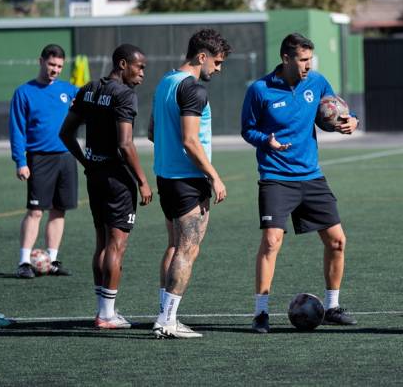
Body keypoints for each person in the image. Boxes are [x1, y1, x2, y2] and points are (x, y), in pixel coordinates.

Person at [241, 33, 359, 334]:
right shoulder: (259, 90)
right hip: (276, 178)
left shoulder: (317, 82)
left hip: (311, 176)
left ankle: (332, 307)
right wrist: (266, 140)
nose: (308, 65)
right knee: (271, 242)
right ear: (286, 58)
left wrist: (350, 120)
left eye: (310, 59)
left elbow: (332, 111)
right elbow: (247, 129)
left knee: (337, 241)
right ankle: (261, 313)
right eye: (303, 60)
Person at [59, 44, 152, 329]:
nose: (143, 73)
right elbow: (125, 144)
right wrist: (143, 181)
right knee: (116, 244)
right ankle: (107, 315)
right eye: (139, 67)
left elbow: (65, 133)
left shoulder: (88, 88)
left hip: (95, 175)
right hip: (117, 179)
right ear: (123, 64)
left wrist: (85, 161)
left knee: (102, 241)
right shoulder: (125, 95)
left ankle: (103, 310)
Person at [149, 29, 230, 339]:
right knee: (187, 249)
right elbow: (190, 140)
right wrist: (214, 176)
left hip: (166, 177)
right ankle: (167, 321)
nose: (218, 69)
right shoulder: (193, 89)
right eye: (217, 62)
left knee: (174, 246)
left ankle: (164, 315)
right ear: (202, 56)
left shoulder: (165, 81)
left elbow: (153, 131)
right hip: (188, 180)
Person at [9, 44, 78, 279]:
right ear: (41, 62)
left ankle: (52, 259)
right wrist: (20, 161)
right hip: (39, 158)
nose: (55, 70)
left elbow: (90, 105)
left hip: (66, 157)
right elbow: (17, 129)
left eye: (59, 66)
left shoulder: (69, 90)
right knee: (36, 211)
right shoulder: (24, 92)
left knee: (59, 210)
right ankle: (24, 262)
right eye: (51, 64)